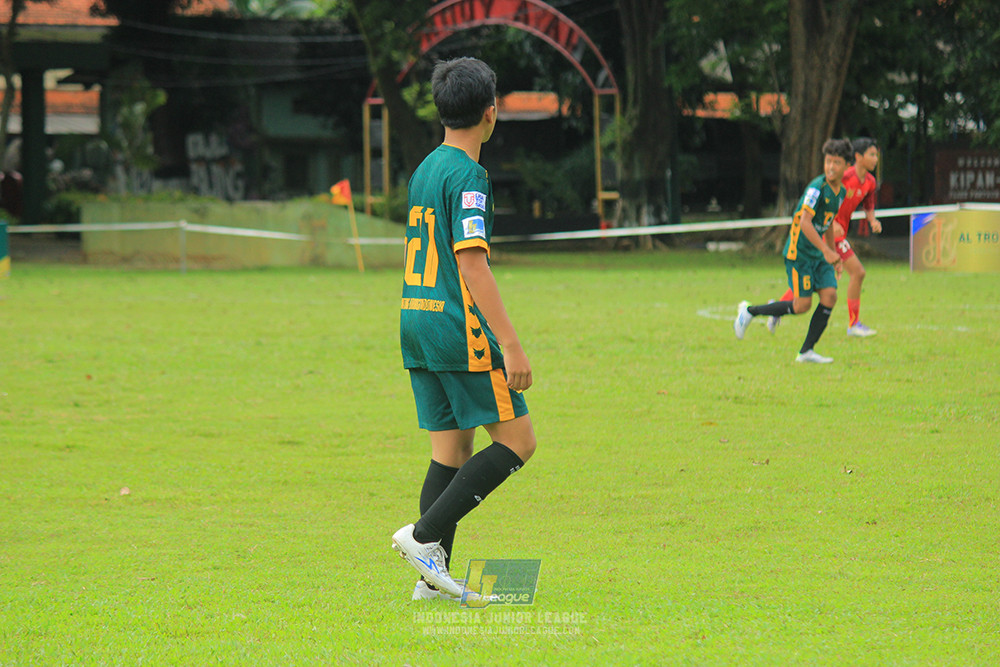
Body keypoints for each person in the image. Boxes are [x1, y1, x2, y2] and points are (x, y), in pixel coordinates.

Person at [392, 57, 537, 600]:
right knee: (519, 442)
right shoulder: (468, 176)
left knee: (449, 452)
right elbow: (472, 263)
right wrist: (511, 344)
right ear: (490, 113)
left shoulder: (426, 168)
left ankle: (432, 581)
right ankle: (424, 537)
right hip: (458, 329)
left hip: (417, 321)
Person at [733, 138, 853, 363]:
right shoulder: (817, 189)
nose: (830, 167)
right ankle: (750, 311)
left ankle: (806, 351)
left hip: (818, 254)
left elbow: (827, 223)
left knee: (830, 296)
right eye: (828, 161)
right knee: (802, 305)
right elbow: (804, 223)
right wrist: (826, 251)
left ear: (847, 166)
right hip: (799, 254)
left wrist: (832, 253)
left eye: (837, 163)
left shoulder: (841, 192)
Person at [766, 137, 882, 336]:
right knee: (858, 272)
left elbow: (868, 204)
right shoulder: (844, 175)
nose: (875, 158)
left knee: (813, 284)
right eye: (871, 154)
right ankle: (853, 324)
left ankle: (777, 307)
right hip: (829, 235)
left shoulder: (870, 182)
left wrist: (872, 220)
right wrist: (831, 222)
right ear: (858, 157)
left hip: (837, 234)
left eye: (876, 154)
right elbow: (827, 198)